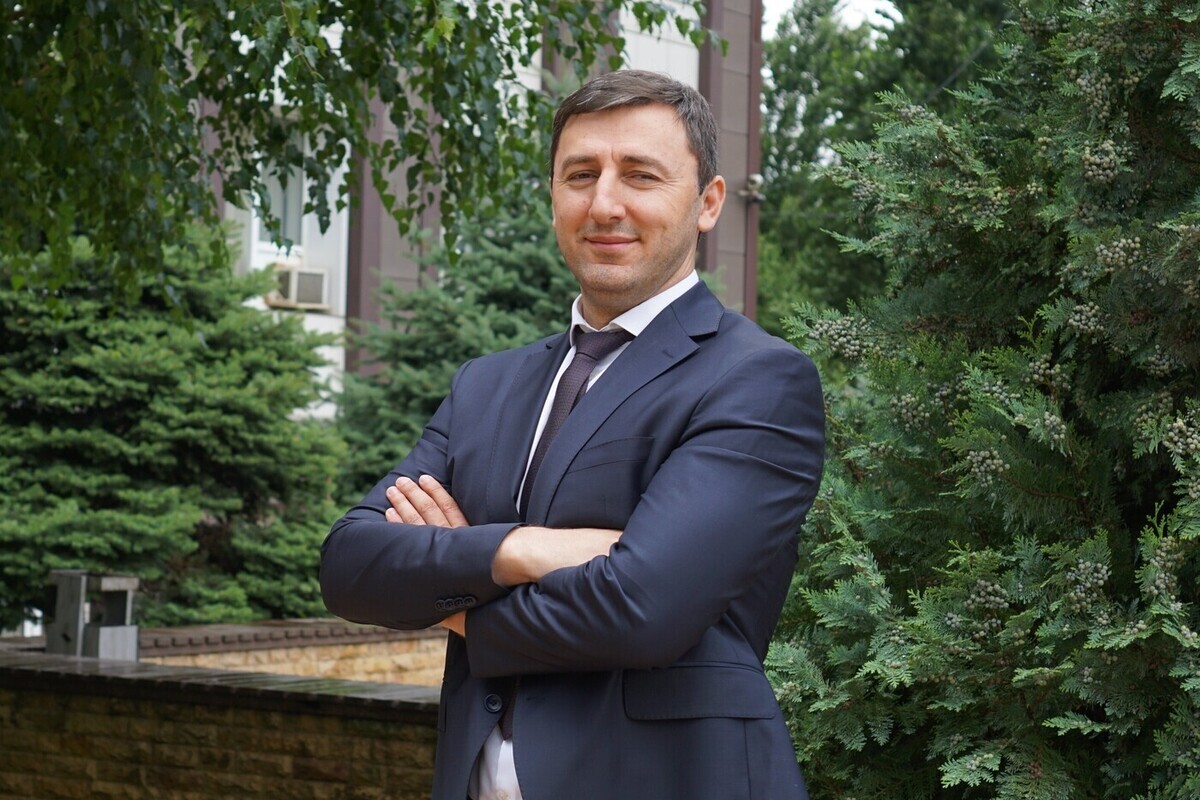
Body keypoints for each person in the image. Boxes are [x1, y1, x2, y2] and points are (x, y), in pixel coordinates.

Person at [320, 69, 825, 800]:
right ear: (553, 195)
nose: (604, 204)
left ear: (709, 202)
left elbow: (641, 609)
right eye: (580, 175)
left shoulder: (757, 379)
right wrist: (521, 549)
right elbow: (350, 565)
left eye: (641, 175)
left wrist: (452, 598)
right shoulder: (486, 386)